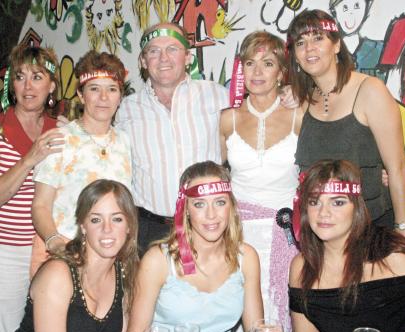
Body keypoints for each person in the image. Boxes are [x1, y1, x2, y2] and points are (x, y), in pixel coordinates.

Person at [116, 22, 298, 256]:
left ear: (188, 57)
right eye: (153, 51)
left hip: (207, 228)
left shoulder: (218, 96)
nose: (163, 58)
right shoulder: (125, 109)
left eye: (172, 48)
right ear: (142, 61)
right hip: (149, 230)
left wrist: (290, 92)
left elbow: (259, 100)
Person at [287, 9, 405, 236]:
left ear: (336, 45)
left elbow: (397, 169)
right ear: (295, 55)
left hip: (372, 228)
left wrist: (403, 232)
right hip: (322, 233)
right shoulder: (301, 100)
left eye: (318, 38)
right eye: (300, 42)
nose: (309, 48)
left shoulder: (370, 91)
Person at [0, 44, 63, 332]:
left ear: (52, 86)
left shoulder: (61, 131)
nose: (27, 86)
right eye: (20, 76)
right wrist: (30, 159)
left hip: (49, 249)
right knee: (6, 330)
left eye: (37, 77)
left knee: (46, 326)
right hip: (5, 249)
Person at [288, 159, 405, 332]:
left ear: (356, 208)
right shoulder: (302, 267)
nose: (323, 213)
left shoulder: (398, 260)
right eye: (314, 202)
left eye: (338, 202)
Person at [220, 31, 301, 332]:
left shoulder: (300, 115)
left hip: (287, 234)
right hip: (238, 234)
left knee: (283, 311)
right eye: (250, 63)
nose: (257, 72)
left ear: (281, 72)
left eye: (267, 63)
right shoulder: (227, 119)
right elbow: (217, 177)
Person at [126, 161, 263, 332]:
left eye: (220, 202)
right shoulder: (157, 261)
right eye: (199, 204)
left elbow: (256, 330)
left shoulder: (247, 258)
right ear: (186, 209)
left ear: (231, 206)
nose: (211, 215)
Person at [31, 50, 133, 274]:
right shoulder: (60, 140)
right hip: (64, 254)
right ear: (80, 93)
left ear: (120, 96)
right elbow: (40, 206)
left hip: (111, 257)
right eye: (94, 89)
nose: (104, 98)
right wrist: (57, 244)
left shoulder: (125, 141)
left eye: (112, 89)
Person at [15, 179, 139, 332]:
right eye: (96, 220)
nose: (107, 229)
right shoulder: (57, 275)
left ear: (129, 226)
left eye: (117, 219)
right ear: (83, 226)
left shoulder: (124, 272)